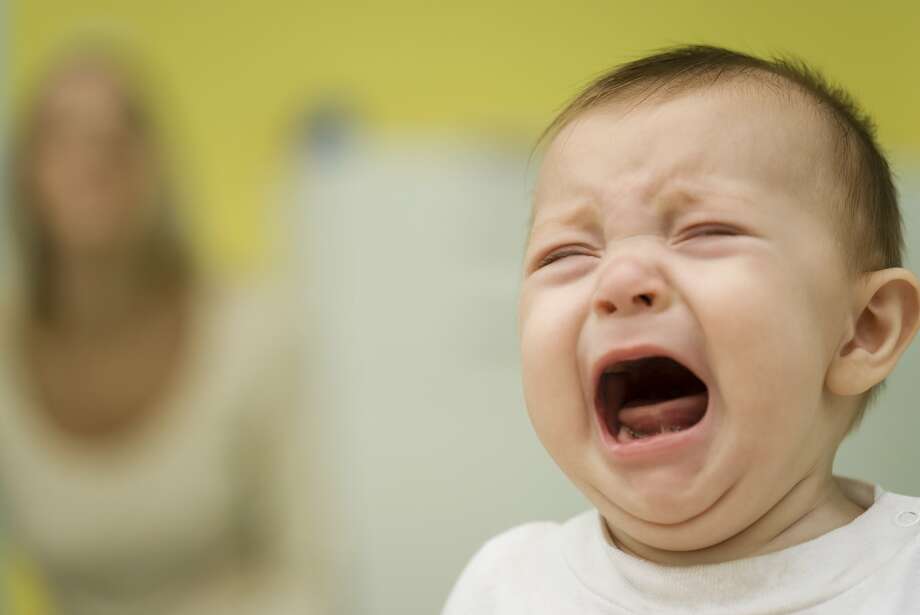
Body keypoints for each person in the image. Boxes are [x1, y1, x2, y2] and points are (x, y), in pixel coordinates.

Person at [443, 45, 920, 614]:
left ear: (862, 331)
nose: (619, 280)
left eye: (707, 231)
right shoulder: (507, 587)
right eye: (565, 253)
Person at [0, 44, 329, 614]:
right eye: (63, 135)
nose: (92, 157)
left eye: (117, 133)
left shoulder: (255, 331)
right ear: (24, 172)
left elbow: (309, 572)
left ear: (156, 163)